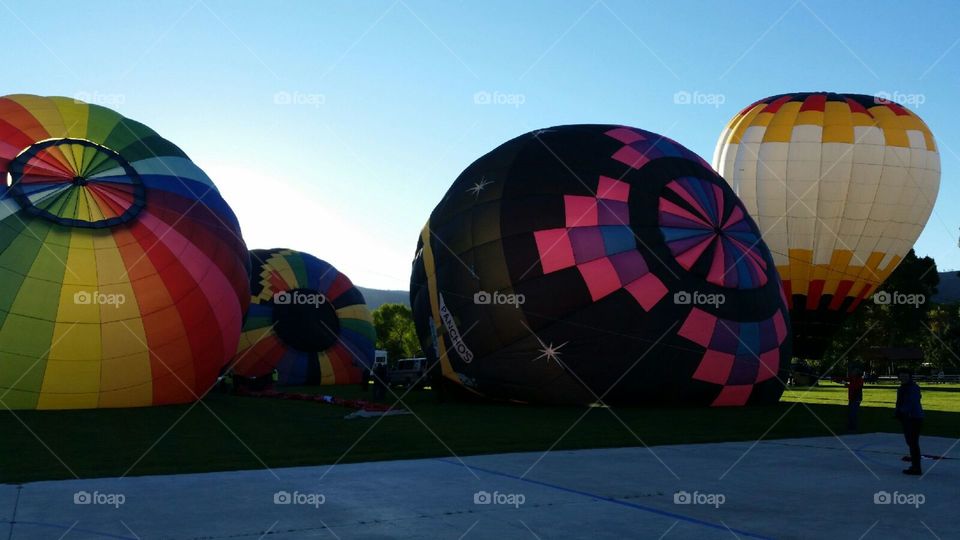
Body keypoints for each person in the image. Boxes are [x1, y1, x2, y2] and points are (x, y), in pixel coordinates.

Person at [895, 368, 924, 475]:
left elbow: (911, 402)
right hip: (907, 417)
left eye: (905, 375)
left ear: (909, 376)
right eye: (901, 375)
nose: (903, 377)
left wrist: (901, 411)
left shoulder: (912, 388)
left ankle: (916, 467)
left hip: (913, 418)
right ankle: (915, 465)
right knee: (911, 442)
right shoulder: (903, 387)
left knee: (913, 443)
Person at [844, 367, 864, 433]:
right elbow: (846, 379)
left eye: (854, 371)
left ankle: (853, 428)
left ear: (856, 373)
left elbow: (856, 387)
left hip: (856, 398)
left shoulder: (859, 379)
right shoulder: (853, 378)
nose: (852, 372)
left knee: (853, 413)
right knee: (850, 413)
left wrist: (847, 385)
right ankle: (850, 427)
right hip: (852, 397)